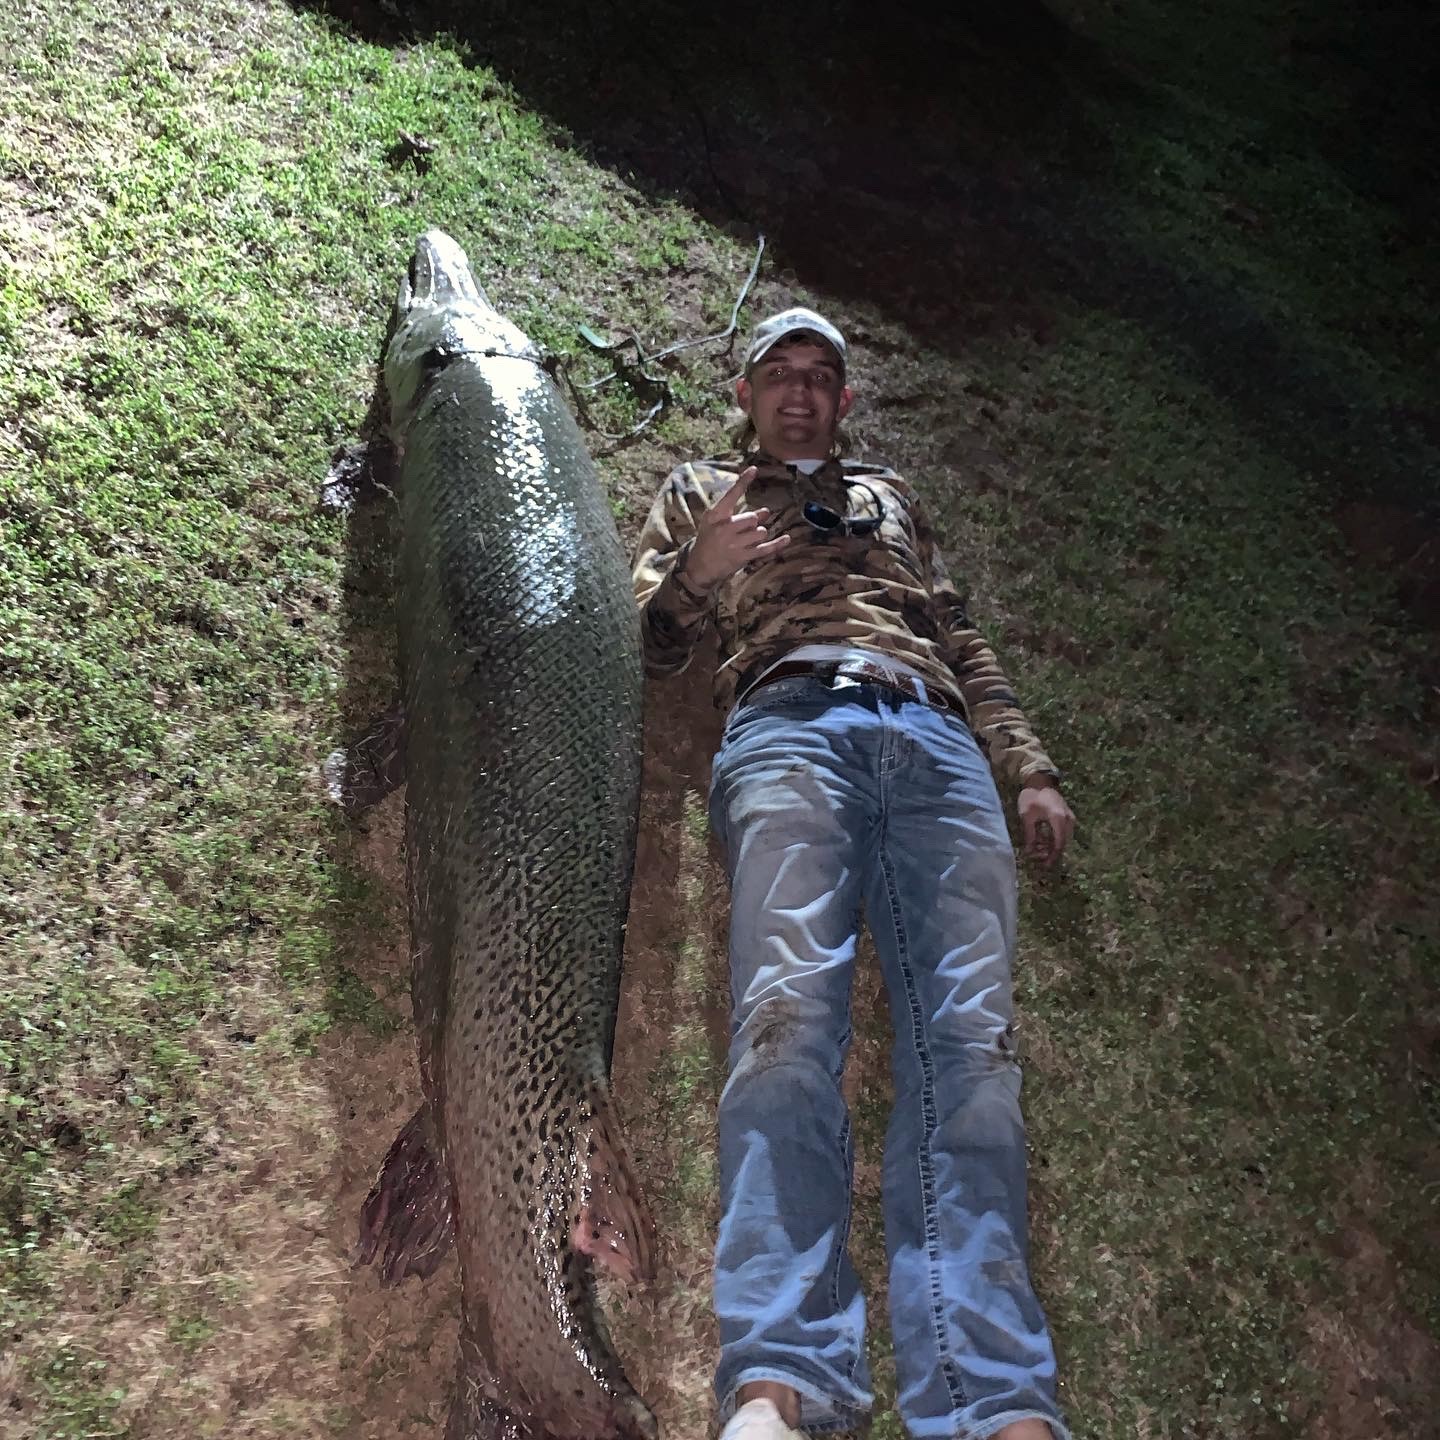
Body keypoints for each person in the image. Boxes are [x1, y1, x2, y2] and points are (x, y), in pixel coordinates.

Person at [631, 307, 1076, 1440]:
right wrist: (698, 575)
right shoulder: (702, 493)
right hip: (786, 725)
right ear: (744, 395)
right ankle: (780, 1379)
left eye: (820, 377)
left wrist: (1024, 765)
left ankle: (994, 1403)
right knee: (785, 1020)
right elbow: (637, 644)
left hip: (935, 742)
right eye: (776, 374)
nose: (798, 393)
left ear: (844, 401)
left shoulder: (895, 499)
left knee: (973, 1050)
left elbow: (960, 632)